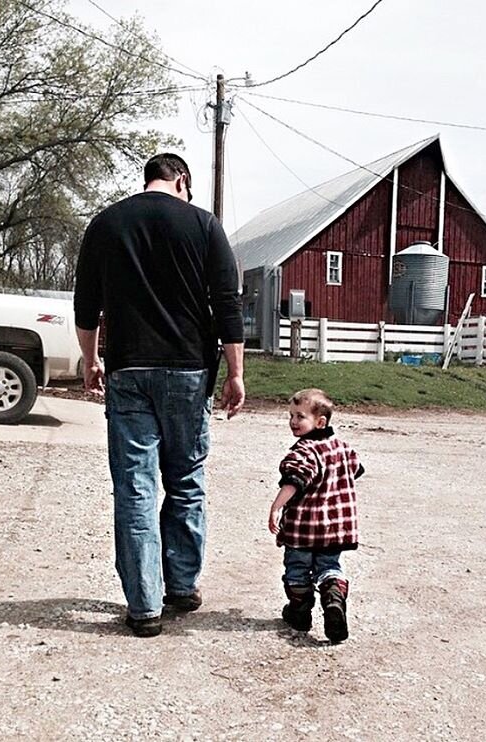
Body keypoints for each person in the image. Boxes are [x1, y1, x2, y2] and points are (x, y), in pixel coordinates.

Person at [74, 153, 245, 638]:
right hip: (190, 371)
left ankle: (144, 607)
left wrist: (92, 361)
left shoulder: (106, 224)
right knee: (186, 478)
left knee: (135, 488)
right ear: (183, 181)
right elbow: (226, 305)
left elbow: (86, 305)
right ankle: (182, 587)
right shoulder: (204, 225)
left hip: (128, 371)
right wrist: (235, 373)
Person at [268, 388, 364, 643]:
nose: (293, 422)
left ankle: (299, 612)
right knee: (329, 567)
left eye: (300, 417)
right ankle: (333, 597)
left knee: (297, 570)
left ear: (320, 422)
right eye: (290, 416)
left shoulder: (303, 452)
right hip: (335, 530)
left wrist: (276, 507)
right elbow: (356, 469)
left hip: (303, 529)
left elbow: (293, 483)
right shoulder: (343, 448)